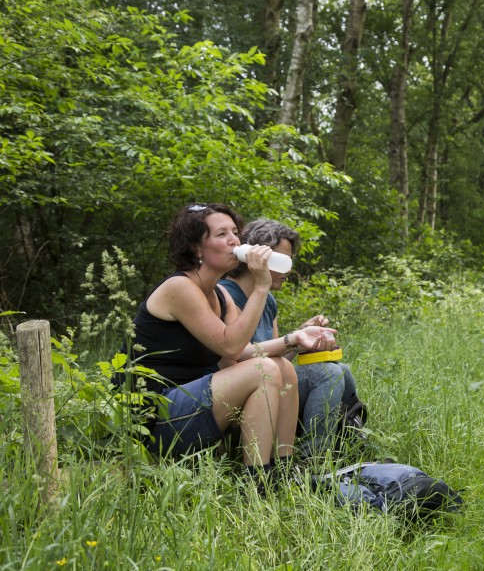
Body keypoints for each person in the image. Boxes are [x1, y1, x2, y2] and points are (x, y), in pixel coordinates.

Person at [122, 203, 334, 485]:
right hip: (152, 419)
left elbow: (243, 353)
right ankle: (257, 483)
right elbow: (231, 346)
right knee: (265, 370)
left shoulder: (219, 297)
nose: (235, 240)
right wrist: (261, 285)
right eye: (222, 234)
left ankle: (283, 471)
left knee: (281, 366)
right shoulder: (179, 288)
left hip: (188, 408)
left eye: (235, 232)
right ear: (197, 249)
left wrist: (293, 340)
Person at [219, 218, 361, 459]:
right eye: (280, 262)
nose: (288, 271)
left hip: (268, 381)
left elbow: (277, 357)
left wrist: (301, 336)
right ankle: (311, 459)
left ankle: (349, 441)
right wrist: (294, 338)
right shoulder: (225, 295)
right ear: (254, 259)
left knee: (342, 370)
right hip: (241, 395)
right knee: (330, 374)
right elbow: (231, 361)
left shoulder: (268, 300)